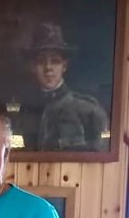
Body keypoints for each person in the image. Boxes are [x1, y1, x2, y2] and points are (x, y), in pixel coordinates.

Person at [18, 22, 109, 152]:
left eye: (55, 61)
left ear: (64, 66)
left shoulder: (89, 110)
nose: (48, 68)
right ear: (33, 67)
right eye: (41, 61)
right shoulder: (25, 112)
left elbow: (102, 154)